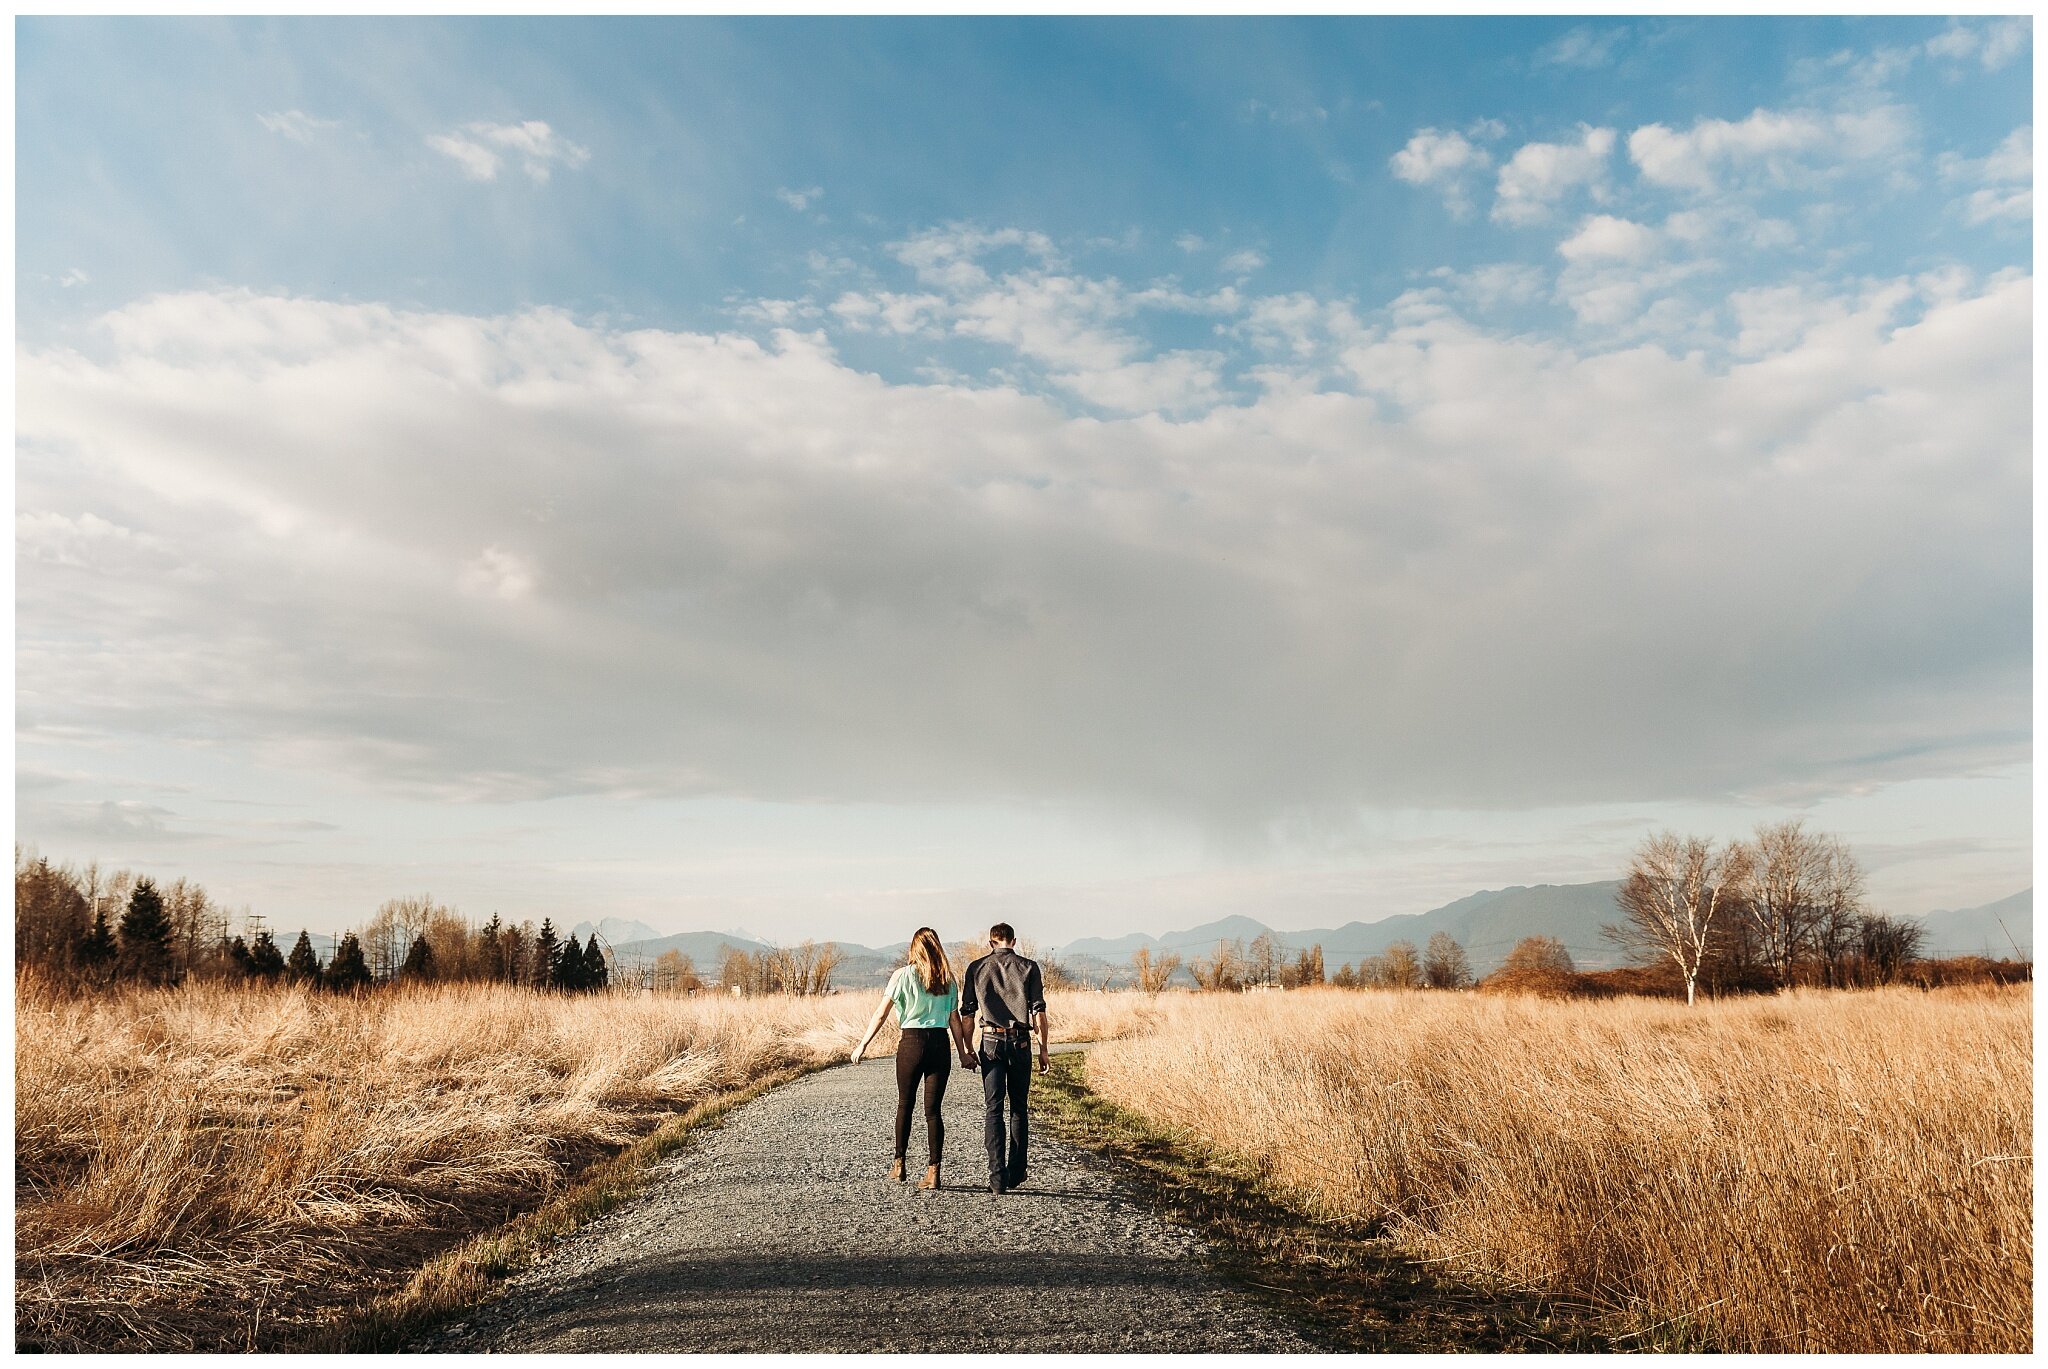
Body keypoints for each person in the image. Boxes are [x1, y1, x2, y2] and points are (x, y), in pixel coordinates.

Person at [851, 927, 975, 1190]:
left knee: (905, 1104)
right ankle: (933, 1171)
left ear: (914, 949)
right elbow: (954, 1020)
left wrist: (862, 1044)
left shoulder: (902, 976)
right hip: (940, 1045)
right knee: (933, 1112)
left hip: (912, 1043)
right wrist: (963, 1052)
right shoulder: (948, 981)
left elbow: (881, 1014)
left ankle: (899, 1164)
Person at [958, 922, 1049, 1194]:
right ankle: (1017, 1171)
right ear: (1014, 941)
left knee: (993, 1108)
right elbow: (1039, 1013)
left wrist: (967, 1048)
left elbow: (968, 1014)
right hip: (1021, 1042)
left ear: (990, 943)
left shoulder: (976, 968)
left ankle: (997, 1178)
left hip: (991, 1042)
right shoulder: (1030, 967)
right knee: (1019, 1108)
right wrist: (1043, 1048)